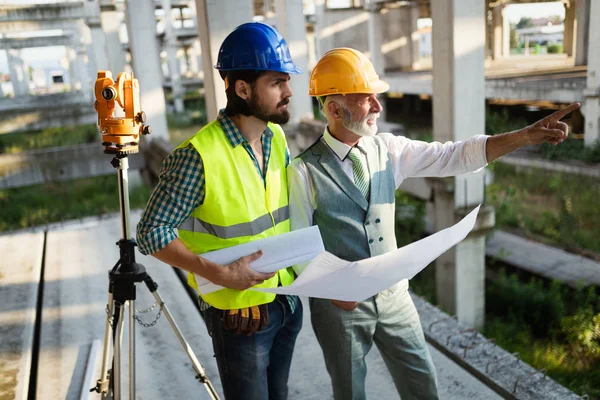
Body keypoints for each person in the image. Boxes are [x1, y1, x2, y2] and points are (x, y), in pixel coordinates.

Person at [287, 47, 579, 400]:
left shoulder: (389, 149)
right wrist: (333, 290)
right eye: (367, 99)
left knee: (423, 384)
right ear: (334, 109)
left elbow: (455, 155)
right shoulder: (303, 170)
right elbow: (300, 246)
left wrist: (524, 137)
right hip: (340, 309)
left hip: (394, 297)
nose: (378, 107)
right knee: (349, 391)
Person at [137, 22, 305, 400]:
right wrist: (221, 274)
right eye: (277, 82)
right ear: (242, 89)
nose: (289, 91)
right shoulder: (197, 157)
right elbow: (151, 232)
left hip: (287, 301)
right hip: (241, 319)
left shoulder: (276, 138)